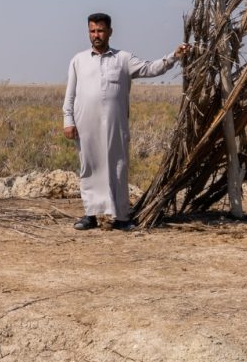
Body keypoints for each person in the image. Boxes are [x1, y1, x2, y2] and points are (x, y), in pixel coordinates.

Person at [62, 12, 190, 231]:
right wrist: (68, 120)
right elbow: (70, 95)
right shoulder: (78, 60)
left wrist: (174, 56)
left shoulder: (123, 59)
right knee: (89, 166)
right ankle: (90, 215)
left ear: (110, 32)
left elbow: (151, 68)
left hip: (115, 124)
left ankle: (121, 217)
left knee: (118, 167)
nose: (96, 35)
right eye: (92, 31)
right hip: (86, 124)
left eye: (100, 30)